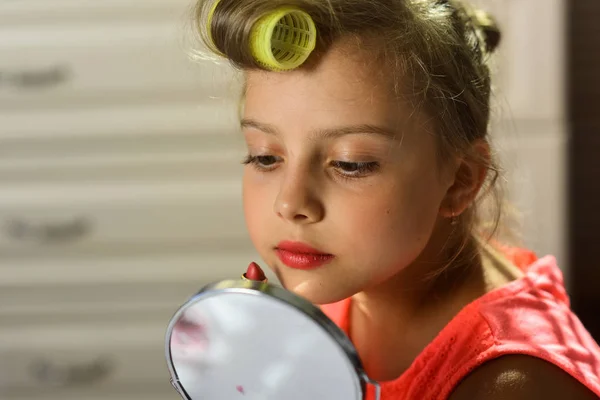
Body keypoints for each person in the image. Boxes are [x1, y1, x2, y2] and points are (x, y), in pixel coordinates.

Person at [192, 0, 600, 398]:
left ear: (459, 180)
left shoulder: (514, 386)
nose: (290, 202)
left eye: (351, 164)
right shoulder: (357, 280)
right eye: (265, 156)